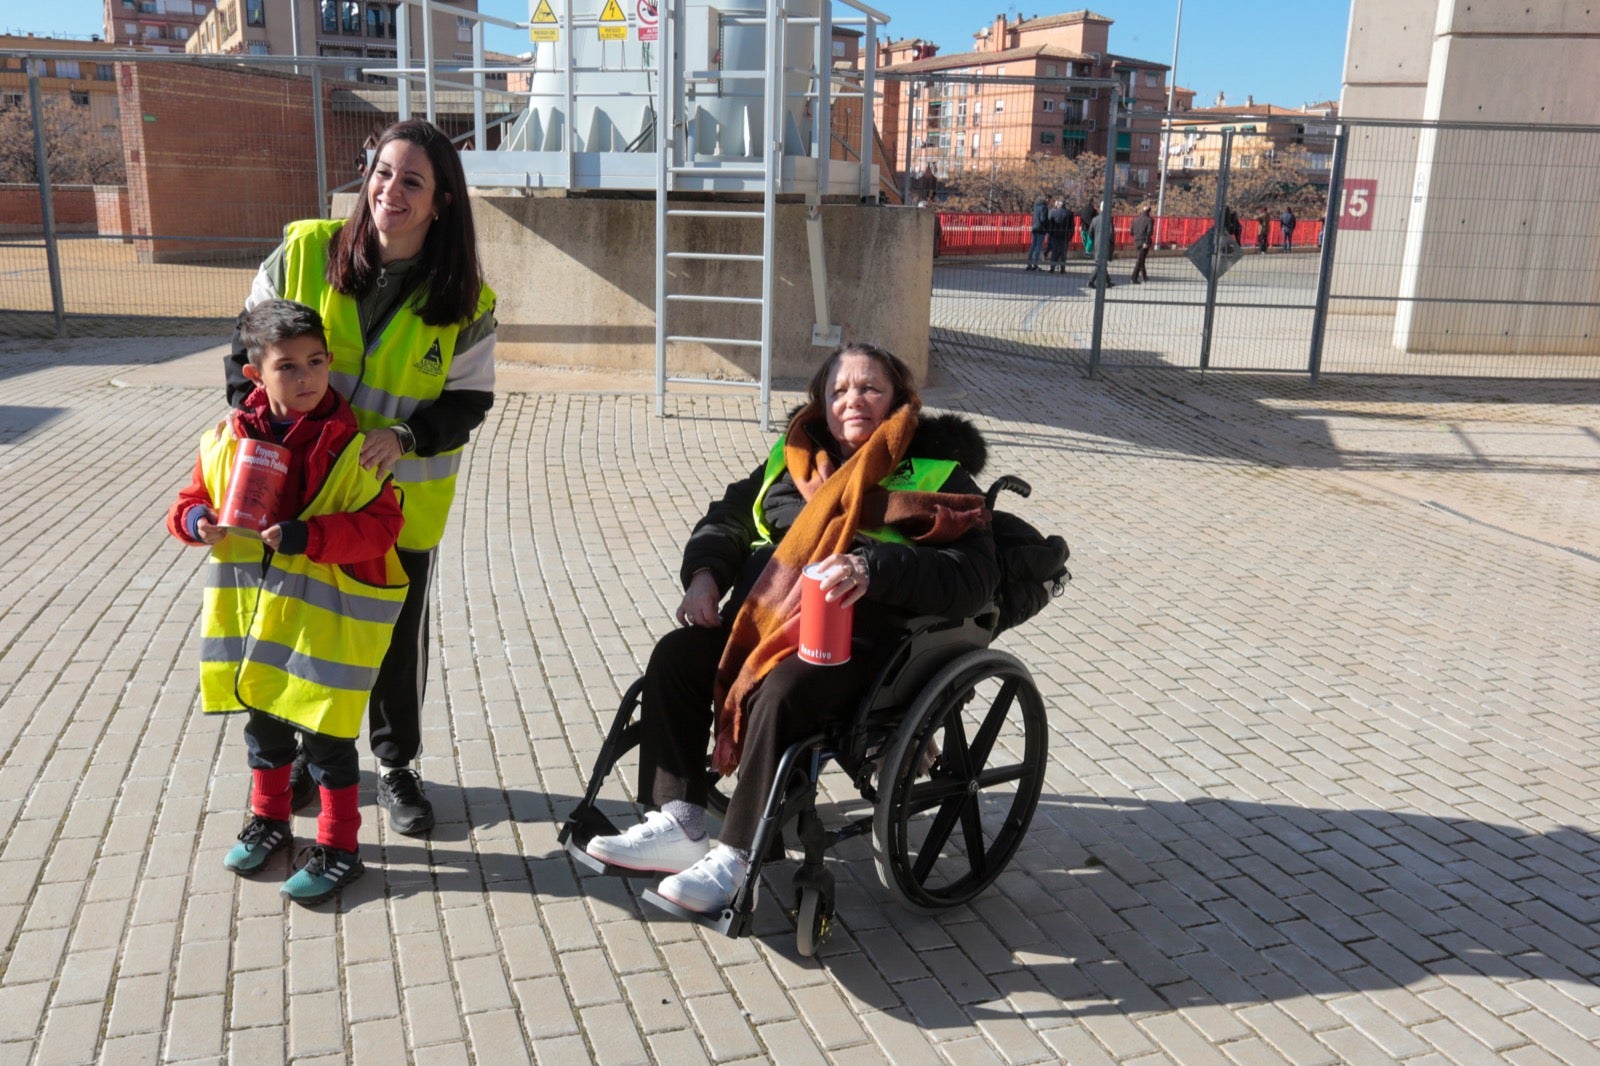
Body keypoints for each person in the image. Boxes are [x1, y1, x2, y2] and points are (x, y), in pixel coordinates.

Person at [584, 343, 1000, 914]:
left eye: (870, 388)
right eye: (839, 390)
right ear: (821, 402)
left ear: (899, 399)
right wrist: (704, 576)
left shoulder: (938, 471)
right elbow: (728, 519)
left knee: (782, 690)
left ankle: (736, 858)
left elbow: (975, 576)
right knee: (678, 656)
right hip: (763, 623)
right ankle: (679, 824)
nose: (853, 400)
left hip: (864, 645)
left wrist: (872, 568)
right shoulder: (794, 458)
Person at [226, 118, 497, 837]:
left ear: (440, 201)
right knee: (293, 628)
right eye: (382, 172)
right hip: (298, 502)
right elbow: (243, 354)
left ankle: (397, 765)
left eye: (412, 181)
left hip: (398, 506)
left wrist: (402, 437)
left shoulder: (467, 299)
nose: (390, 191)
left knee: (393, 641)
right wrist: (264, 438)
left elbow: (468, 402)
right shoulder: (304, 251)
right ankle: (299, 761)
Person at [170, 300, 407, 905]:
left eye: (316, 362)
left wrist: (312, 537)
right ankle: (270, 820)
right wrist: (197, 522)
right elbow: (189, 500)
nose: (307, 377)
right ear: (255, 374)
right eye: (288, 367)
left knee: (328, 744)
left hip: (322, 630)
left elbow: (383, 527)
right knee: (265, 732)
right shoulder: (227, 438)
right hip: (256, 623)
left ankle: (340, 847)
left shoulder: (353, 446)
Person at [1045, 198, 1074, 273]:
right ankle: (1062, 268)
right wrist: (1070, 236)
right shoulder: (1069, 213)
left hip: (1054, 235)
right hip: (1064, 236)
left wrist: (1050, 235)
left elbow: (1050, 225)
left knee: (1054, 252)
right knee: (1063, 253)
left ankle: (1052, 268)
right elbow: (1072, 227)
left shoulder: (1053, 212)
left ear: (1058, 205)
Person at [1130, 204, 1154, 284]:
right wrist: (1146, 242)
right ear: (1149, 211)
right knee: (1140, 260)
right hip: (1144, 242)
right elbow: (1149, 232)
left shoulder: (1136, 220)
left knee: (1141, 259)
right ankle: (1134, 278)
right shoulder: (1150, 220)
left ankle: (1144, 276)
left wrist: (1137, 236)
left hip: (1136, 241)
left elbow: (1131, 232)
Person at [1025, 196, 1048, 271]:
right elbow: (1043, 219)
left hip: (1034, 227)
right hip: (1040, 229)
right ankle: (1035, 265)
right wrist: (1046, 226)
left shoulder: (1035, 206)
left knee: (1033, 245)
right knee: (1038, 247)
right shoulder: (1044, 207)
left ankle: (1029, 264)